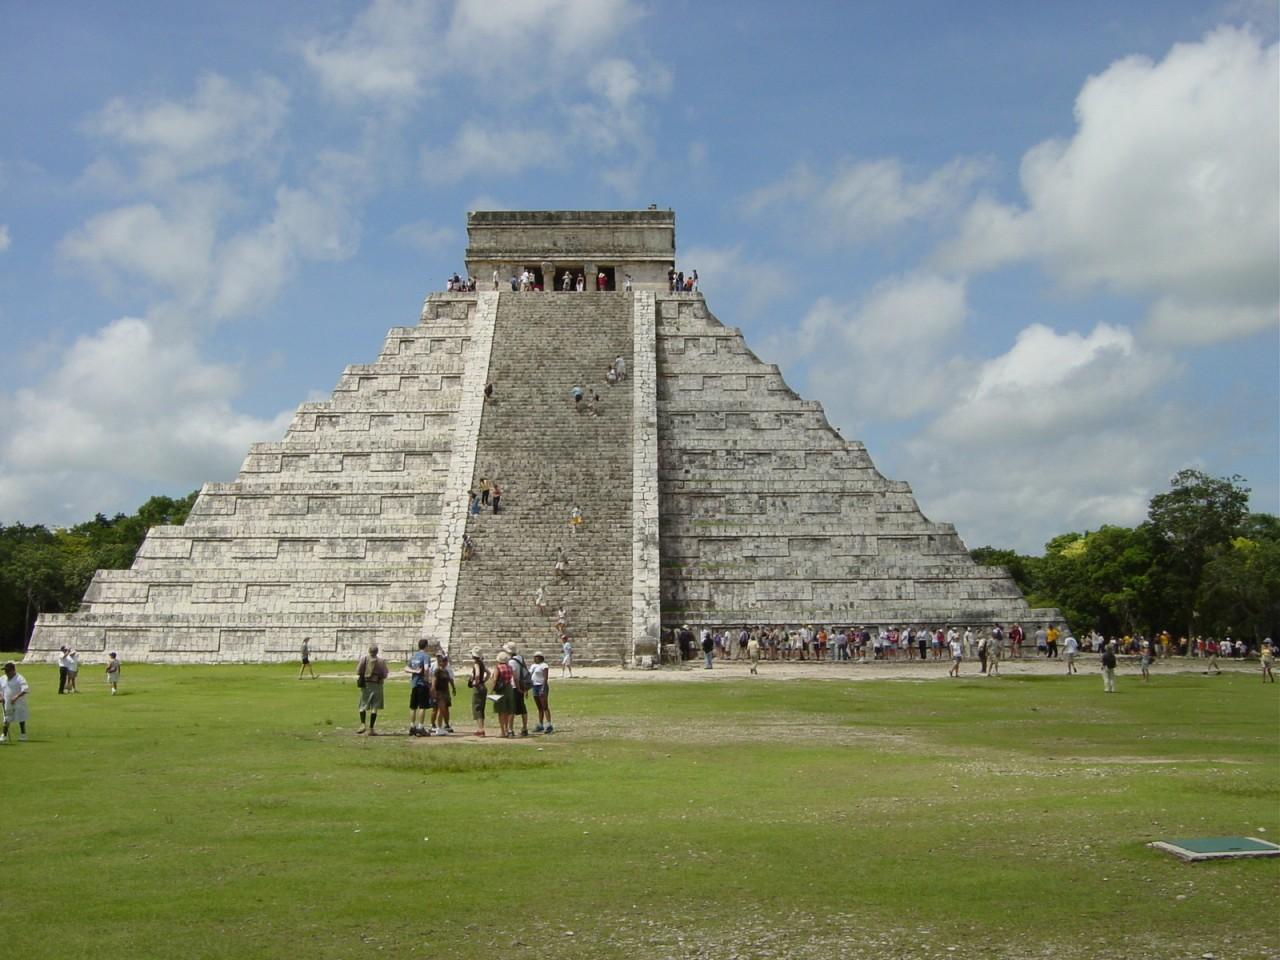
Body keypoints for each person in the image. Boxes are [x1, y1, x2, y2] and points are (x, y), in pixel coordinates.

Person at [356, 644, 388, 735]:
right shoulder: (381, 661)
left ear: (369, 651)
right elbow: (385, 674)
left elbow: (358, 671)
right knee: (375, 707)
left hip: (366, 685)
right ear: (377, 652)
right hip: (377, 685)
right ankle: (371, 728)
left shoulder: (364, 659)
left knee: (362, 704)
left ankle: (362, 723)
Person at [405, 639, 433, 737]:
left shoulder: (414, 656)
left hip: (414, 683)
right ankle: (420, 727)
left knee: (413, 706)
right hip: (422, 684)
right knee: (422, 706)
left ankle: (412, 726)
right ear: (426, 646)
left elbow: (406, 668)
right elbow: (426, 669)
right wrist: (428, 681)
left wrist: (414, 672)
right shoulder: (426, 656)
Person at [505, 643, 532, 736]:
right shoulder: (520, 658)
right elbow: (525, 671)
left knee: (511, 709)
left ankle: (510, 729)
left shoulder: (511, 662)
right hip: (521, 685)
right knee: (522, 707)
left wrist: (519, 688)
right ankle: (524, 728)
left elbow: (515, 677)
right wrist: (525, 689)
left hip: (514, 687)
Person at [1, 661, 30, 742]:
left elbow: (25, 689)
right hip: (7, 701)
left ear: (13, 670)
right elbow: (0, 689)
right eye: (5, 671)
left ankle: (23, 734)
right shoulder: (3, 678)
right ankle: (4, 735)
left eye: (8, 671)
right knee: (6, 718)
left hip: (19, 702)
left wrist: (16, 697)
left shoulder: (20, 678)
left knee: (21, 717)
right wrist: (1, 697)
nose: (6, 672)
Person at [431, 654, 455, 734]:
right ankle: (438, 727)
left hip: (445, 693)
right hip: (439, 693)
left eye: (446, 661)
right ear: (440, 662)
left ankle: (441, 726)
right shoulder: (437, 671)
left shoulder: (446, 671)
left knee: (443, 710)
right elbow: (434, 683)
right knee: (440, 710)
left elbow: (450, 680)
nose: (445, 663)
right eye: (444, 661)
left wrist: (453, 688)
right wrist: (433, 692)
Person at [468, 648, 489, 736]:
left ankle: (481, 729)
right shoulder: (482, 663)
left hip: (478, 687)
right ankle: (481, 727)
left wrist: (475, 682)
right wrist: (484, 680)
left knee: (477, 708)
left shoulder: (476, 664)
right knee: (481, 707)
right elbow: (489, 673)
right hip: (483, 687)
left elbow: (477, 674)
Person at [530, 652, 552, 733]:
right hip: (534, 686)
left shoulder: (544, 665)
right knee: (539, 707)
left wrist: (543, 688)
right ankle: (540, 724)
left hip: (541, 686)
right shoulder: (533, 666)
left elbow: (545, 678)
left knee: (545, 706)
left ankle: (549, 724)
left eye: (536, 657)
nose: (534, 658)